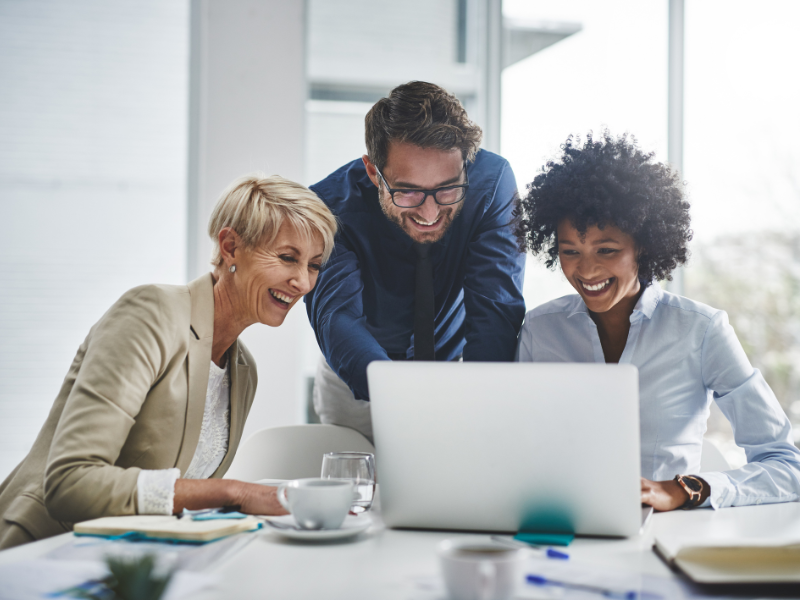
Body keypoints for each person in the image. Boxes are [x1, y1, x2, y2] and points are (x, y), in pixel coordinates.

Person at [0, 174, 338, 549]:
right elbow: (70, 483)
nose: (304, 283)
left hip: (135, 564)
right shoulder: (151, 313)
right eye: (287, 258)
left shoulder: (244, 371)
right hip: (42, 552)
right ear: (230, 247)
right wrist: (230, 492)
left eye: (314, 265)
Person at [514, 131, 800, 511]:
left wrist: (683, 489)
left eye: (607, 250)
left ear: (644, 246)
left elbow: (785, 466)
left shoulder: (701, 330)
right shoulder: (540, 330)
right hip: (562, 528)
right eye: (570, 251)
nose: (585, 269)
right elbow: (514, 448)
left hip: (666, 538)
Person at [306, 81, 526, 440]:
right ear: (373, 171)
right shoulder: (327, 206)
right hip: (358, 382)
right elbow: (337, 317)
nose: (429, 211)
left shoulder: (491, 183)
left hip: (456, 371)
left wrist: (481, 404)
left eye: (447, 188)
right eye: (407, 190)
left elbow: (495, 310)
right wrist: (404, 399)